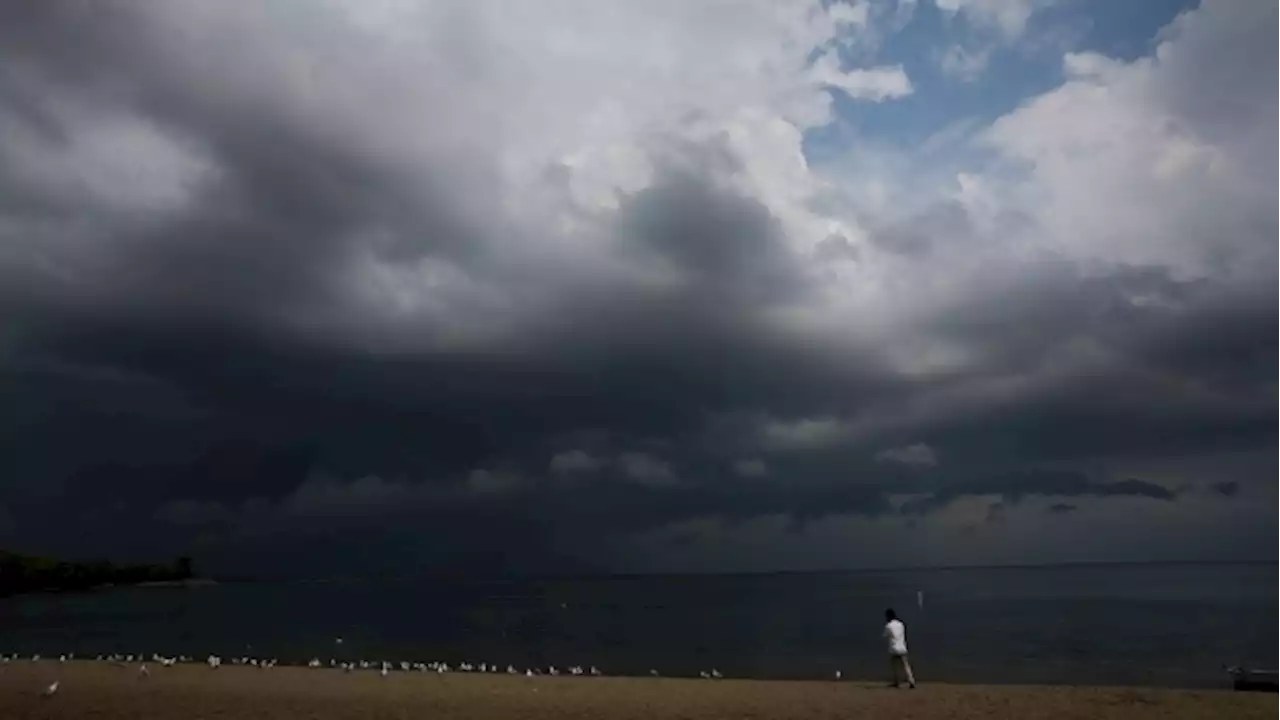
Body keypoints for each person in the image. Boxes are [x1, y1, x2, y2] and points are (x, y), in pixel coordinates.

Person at [883, 608, 916, 688]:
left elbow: (885, 635)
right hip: (902, 647)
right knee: (905, 665)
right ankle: (911, 681)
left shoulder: (889, 626)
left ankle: (896, 681)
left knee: (895, 666)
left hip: (894, 649)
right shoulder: (901, 624)